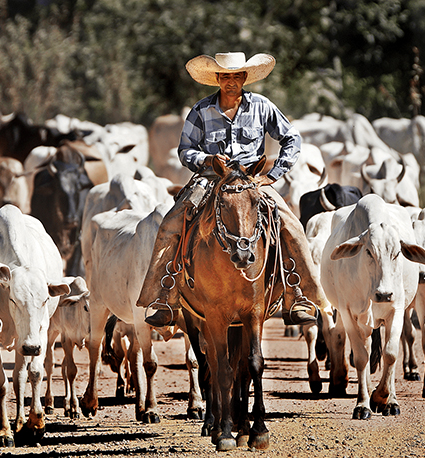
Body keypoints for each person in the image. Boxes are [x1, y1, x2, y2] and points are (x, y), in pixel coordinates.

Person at [136, 51, 329, 328]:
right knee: (171, 223)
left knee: (291, 225)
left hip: (251, 182)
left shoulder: (262, 106)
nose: (231, 82)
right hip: (210, 180)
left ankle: (298, 294)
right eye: (226, 76)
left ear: (244, 78)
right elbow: (185, 150)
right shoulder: (201, 110)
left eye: (236, 76)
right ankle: (164, 296)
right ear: (217, 78)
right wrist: (207, 160)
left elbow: (292, 138)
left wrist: (273, 175)